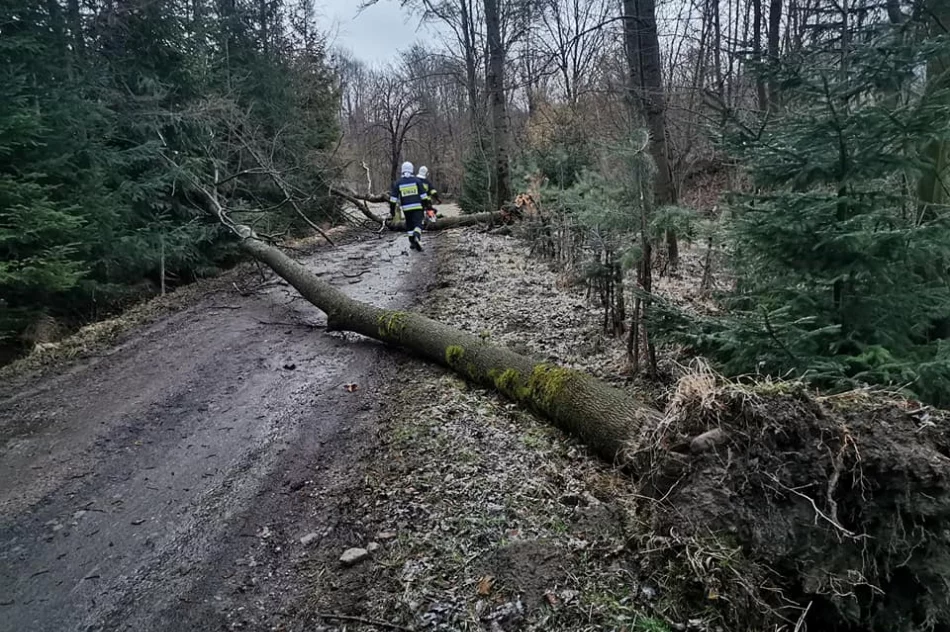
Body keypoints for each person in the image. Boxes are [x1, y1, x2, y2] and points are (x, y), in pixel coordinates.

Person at [389, 161, 430, 251]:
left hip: (406, 209)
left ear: (402, 171)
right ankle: (417, 236)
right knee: (418, 224)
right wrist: (426, 206)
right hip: (418, 207)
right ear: (412, 170)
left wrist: (392, 211)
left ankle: (412, 242)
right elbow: (424, 196)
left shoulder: (398, 183)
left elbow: (393, 199)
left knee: (410, 225)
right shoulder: (417, 181)